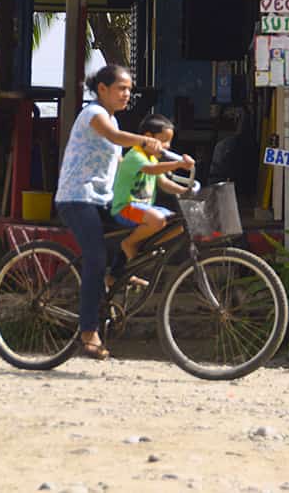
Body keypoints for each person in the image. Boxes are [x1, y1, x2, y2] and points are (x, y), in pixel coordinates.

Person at [55, 64, 164, 360]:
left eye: (129, 89)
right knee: (95, 258)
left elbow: (124, 161)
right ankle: (88, 331)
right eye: (121, 88)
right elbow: (115, 140)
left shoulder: (113, 122)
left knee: (133, 226)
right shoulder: (94, 115)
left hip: (102, 198)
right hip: (77, 198)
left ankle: (115, 277)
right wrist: (143, 139)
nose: (127, 94)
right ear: (102, 89)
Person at [109, 114, 195, 276]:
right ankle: (129, 244)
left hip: (144, 210)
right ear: (148, 138)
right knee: (157, 219)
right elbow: (151, 170)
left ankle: (146, 248)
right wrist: (178, 164)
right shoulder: (136, 156)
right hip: (125, 208)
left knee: (178, 223)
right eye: (164, 141)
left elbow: (164, 184)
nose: (167, 146)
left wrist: (185, 191)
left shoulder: (151, 157)